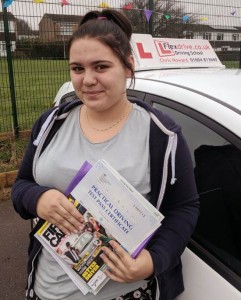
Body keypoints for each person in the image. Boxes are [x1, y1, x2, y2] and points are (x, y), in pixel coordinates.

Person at [11, 9, 199, 300]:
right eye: (77, 68)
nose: (87, 80)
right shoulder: (51, 123)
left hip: (124, 293)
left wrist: (152, 262)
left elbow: (185, 207)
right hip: (45, 289)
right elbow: (21, 185)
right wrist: (37, 199)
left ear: (127, 66)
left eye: (100, 67)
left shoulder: (162, 134)